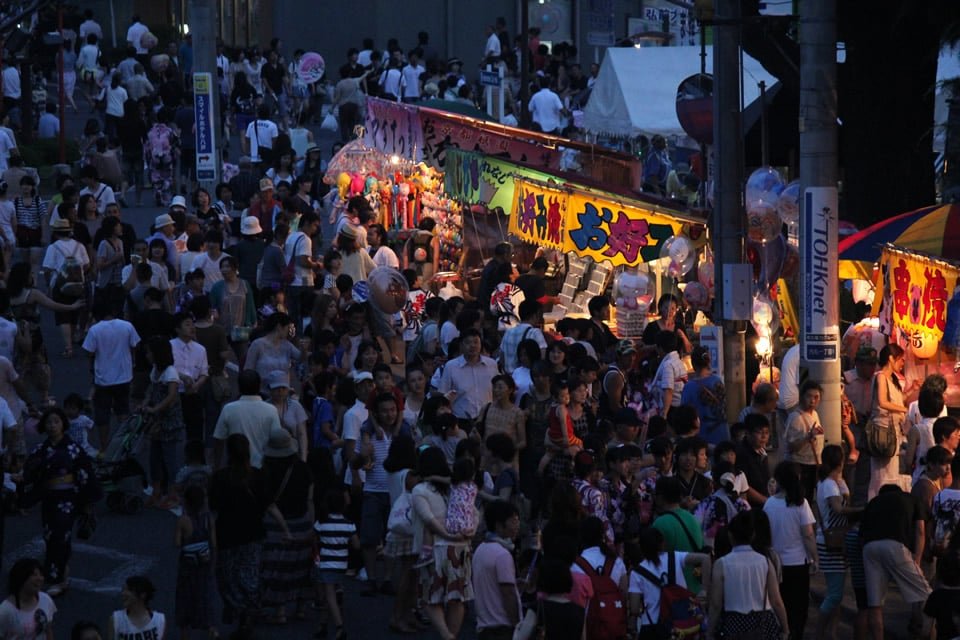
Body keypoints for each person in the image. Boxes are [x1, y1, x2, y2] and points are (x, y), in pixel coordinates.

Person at [23, 408, 100, 595]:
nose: (52, 426)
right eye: (49, 422)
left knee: (60, 537)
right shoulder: (41, 449)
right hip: (50, 498)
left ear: (63, 424)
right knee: (50, 536)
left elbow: (85, 475)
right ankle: (58, 574)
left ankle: (59, 579)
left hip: (68, 499)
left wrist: (87, 502)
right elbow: (30, 471)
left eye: (56, 422)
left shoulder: (73, 449)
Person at [209, 433, 280, 631]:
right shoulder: (257, 475)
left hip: (227, 534)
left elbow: (213, 506)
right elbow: (269, 504)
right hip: (253, 532)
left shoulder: (220, 477)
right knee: (250, 574)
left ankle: (237, 608)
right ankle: (249, 610)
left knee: (227, 577)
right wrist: (284, 528)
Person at [411, 447, 473, 640]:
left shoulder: (420, 491)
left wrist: (448, 536)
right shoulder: (457, 488)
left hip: (435, 550)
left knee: (430, 597)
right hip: (461, 550)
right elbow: (474, 514)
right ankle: (452, 634)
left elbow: (429, 520)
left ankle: (447, 635)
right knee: (457, 598)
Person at [861, 483, 932, 638]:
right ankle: (930, 635)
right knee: (927, 595)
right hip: (895, 546)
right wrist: (917, 559)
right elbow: (920, 530)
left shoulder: (873, 503)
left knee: (875, 604)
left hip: (869, 548)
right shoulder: (911, 499)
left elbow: (862, 533)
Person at [705, 511, 789, 640]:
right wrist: (785, 629)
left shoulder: (721, 564)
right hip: (764, 623)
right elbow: (776, 601)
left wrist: (710, 632)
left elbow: (716, 604)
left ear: (730, 536)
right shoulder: (765, 562)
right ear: (753, 535)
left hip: (733, 623)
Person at [260, 430, 314, 623]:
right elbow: (309, 498)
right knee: (301, 566)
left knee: (276, 566)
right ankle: (300, 607)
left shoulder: (265, 470)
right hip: (301, 520)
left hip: (275, 523)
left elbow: (266, 501)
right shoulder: (302, 468)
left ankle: (280, 610)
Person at [763, 461, 818, 640]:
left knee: (780, 605)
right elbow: (808, 535)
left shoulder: (769, 504)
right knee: (799, 609)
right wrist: (815, 558)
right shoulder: (801, 504)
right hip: (798, 563)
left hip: (776, 564)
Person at [629, 526, 712, 640]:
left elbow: (634, 608)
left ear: (642, 548)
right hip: (680, 622)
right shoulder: (675, 557)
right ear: (662, 543)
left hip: (651, 625)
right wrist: (704, 589)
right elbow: (705, 559)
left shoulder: (637, 572)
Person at [815, 444, 863, 639]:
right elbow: (838, 509)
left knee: (835, 593)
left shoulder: (831, 481)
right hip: (832, 541)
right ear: (840, 461)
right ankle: (819, 632)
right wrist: (862, 510)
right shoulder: (828, 484)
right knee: (834, 594)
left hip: (833, 538)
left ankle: (832, 633)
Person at [212, 370, 285, 469]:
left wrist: (216, 467)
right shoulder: (271, 410)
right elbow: (277, 441)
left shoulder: (228, 409)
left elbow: (219, 440)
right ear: (259, 387)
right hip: (262, 468)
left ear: (239, 388)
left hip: (236, 468)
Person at [472, 500, 522, 640]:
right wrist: (518, 626)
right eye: (513, 521)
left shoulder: (480, 549)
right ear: (499, 525)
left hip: (484, 628)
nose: (517, 526)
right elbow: (508, 594)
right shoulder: (502, 555)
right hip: (502, 630)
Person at [144, 337, 184, 509]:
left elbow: (171, 396)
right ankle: (157, 491)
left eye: (149, 352)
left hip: (169, 421)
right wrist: (145, 403)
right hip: (158, 421)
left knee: (170, 459)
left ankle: (174, 494)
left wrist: (155, 408)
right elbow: (150, 390)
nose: (147, 355)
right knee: (155, 457)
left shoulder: (170, 372)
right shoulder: (155, 370)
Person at [314, 487, 358, 640]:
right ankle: (322, 625)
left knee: (329, 595)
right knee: (332, 594)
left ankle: (339, 627)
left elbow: (314, 539)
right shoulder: (349, 524)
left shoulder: (321, 523)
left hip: (326, 563)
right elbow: (356, 545)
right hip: (341, 563)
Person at [174, 484, 217, 640]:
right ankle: (211, 628)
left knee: (185, 596)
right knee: (205, 593)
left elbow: (177, 543)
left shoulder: (183, 520)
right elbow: (213, 543)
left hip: (188, 565)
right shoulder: (208, 519)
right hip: (204, 563)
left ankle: (185, 632)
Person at [868, 344, 908, 499]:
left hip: (893, 431)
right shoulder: (881, 377)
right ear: (891, 359)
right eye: (901, 360)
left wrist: (912, 391)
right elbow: (883, 402)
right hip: (883, 431)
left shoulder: (892, 379)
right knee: (881, 476)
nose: (902, 363)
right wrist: (902, 409)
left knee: (889, 474)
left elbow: (895, 401)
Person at [783, 380, 825, 500]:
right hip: (800, 466)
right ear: (802, 396)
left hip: (813, 465)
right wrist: (808, 437)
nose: (812, 401)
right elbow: (791, 447)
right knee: (801, 499)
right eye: (809, 396)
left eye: (816, 397)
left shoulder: (815, 414)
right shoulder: (795, 417)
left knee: (809, 498)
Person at [681, 345, 728, 444]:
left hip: (703, 436)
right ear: (708, 362)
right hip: (722, 432)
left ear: (693, 364)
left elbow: (685, 414)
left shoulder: (689, 387)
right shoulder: (718, 381)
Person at [0, 558, 56, 639]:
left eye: (41, 574)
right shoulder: (5, 611)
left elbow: (48, 630)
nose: (40, 578)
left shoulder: (46, 599)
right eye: (34, 575)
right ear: (21, 578)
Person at [106, 576, 165, 640]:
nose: (123, 593)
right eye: (123, 590)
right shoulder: (116, 619)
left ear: (143, 595)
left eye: (128, 590)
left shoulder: (160, 620)